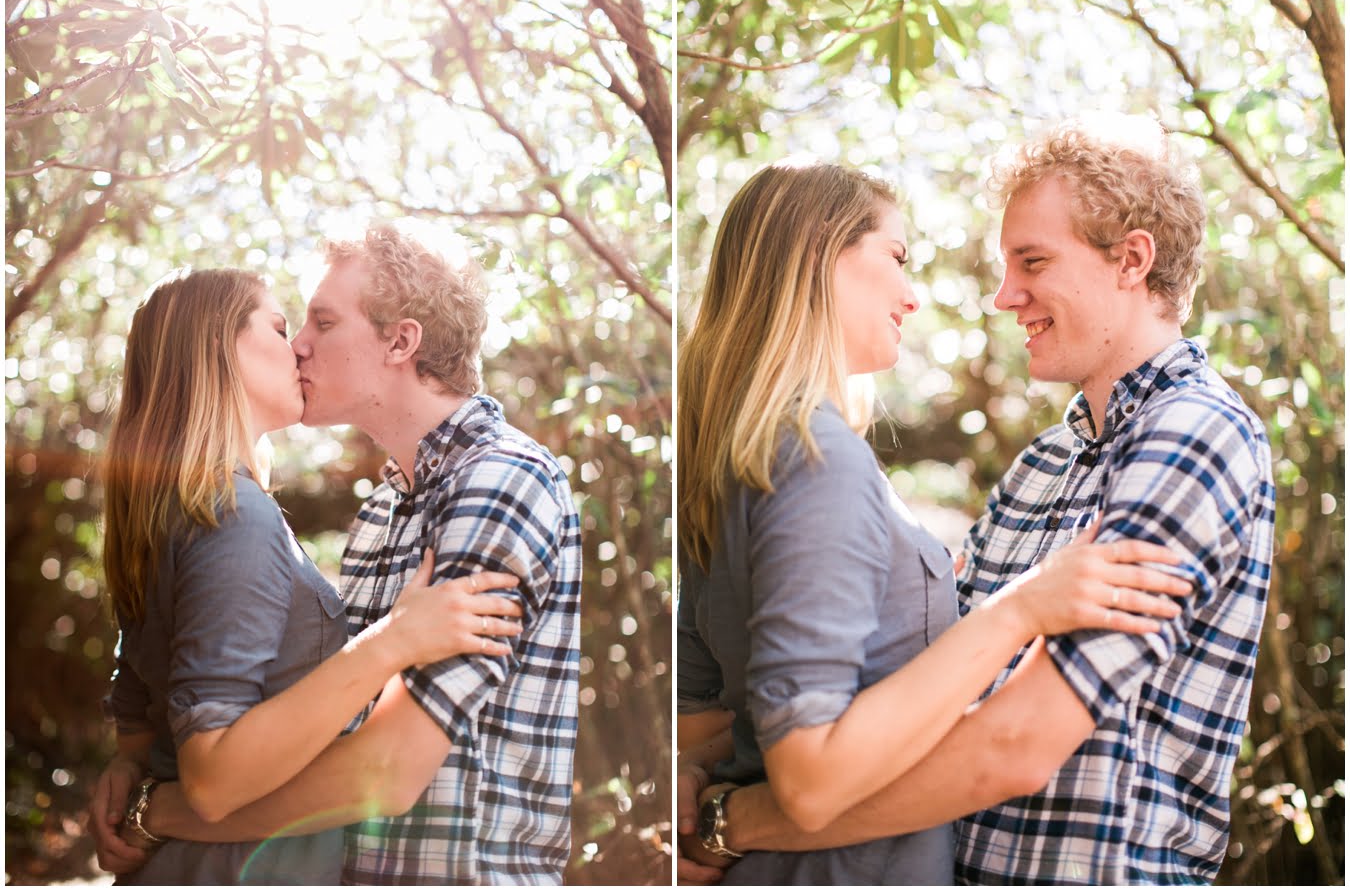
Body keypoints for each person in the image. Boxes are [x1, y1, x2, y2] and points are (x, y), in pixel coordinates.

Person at [678, 117, 1277, 885]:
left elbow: (1012, 744)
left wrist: (738, 821)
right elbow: (917, 702)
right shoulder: (1039, 468)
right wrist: (705, 770)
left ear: (1132, 260)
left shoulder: (1194, 435)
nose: (1003, 296)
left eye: (1033, 261)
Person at [94, 224, 582, 884]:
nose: (299, 344)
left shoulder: (503, 482)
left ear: (401, 342)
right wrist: (139, 763)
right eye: (289, 326)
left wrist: (161, 811)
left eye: (322, 322)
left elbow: (384, 769)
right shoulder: (380, 512)